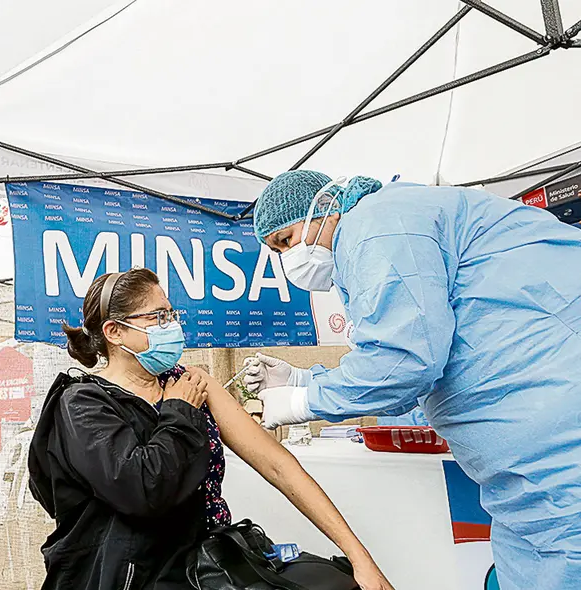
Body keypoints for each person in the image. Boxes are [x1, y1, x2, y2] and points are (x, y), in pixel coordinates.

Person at [246, 170, 581, 590]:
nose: (288, 259)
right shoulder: (383, 232)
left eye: (287, 240)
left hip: (560, 452)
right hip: (527, 474)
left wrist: (303, 401)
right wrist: (302, 378)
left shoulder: (376, 225)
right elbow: (412, 370)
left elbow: (403, 361)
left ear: (324, 207)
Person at [28, 268, 392, 590]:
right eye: (158, 316)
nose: (172, 325)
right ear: (115, 332)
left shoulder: (193, 383)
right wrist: (179, 410)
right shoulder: (83, 403)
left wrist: (359, 557)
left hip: (203, 566)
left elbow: (279, 466)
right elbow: (141, 489)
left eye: (171, 313)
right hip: (126, 576)